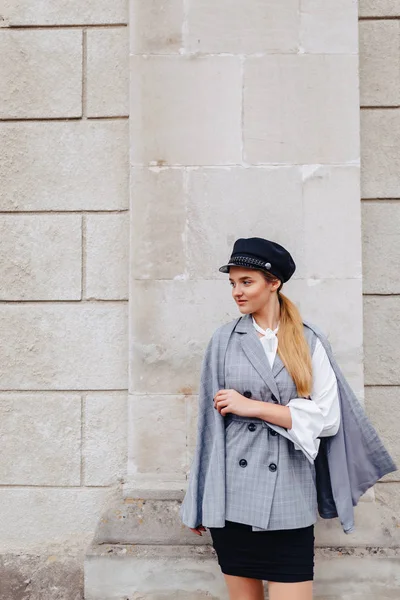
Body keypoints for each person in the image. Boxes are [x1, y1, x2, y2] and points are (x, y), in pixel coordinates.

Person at [179, 237, 397, 600]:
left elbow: (329, 420)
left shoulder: (309, 340)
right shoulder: (224, 339)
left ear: (273, 282)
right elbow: (207, 427)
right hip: (233, 494)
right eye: (232, 282)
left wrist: (255, 407)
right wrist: (199, 499)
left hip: (290, 494)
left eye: (246, 281)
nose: (236, 291)